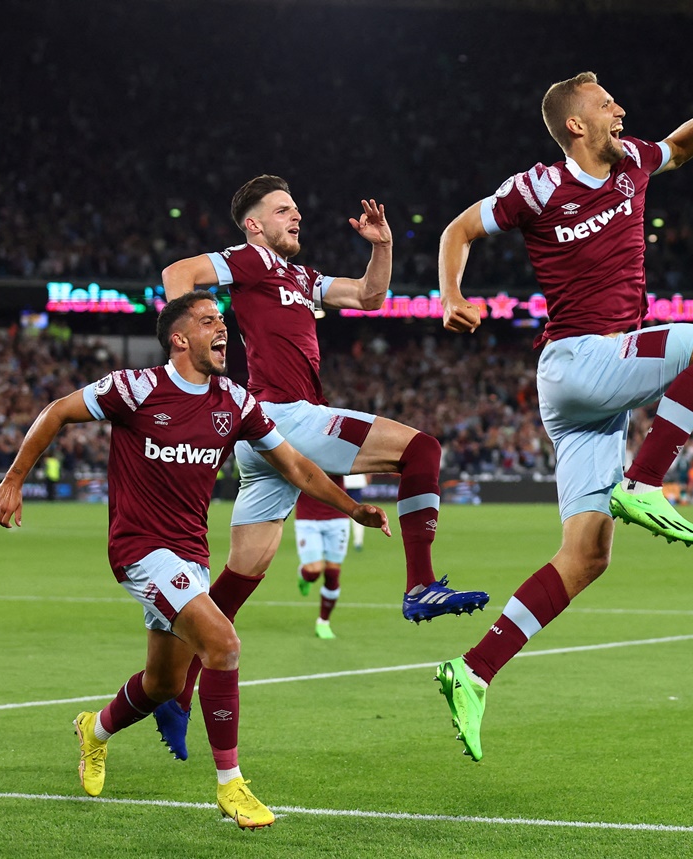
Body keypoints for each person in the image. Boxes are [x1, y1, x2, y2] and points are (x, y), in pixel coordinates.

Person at [0, 291, 391, 828]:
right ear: (179, 339)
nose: (222, 329)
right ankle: (231, 785)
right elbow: (58, 411)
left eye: (222, 320)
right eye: (207, 322)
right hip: (139, 548)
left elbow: (296, 466)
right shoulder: (135, 389)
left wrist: (352, 506)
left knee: (163, 686)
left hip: (189, 555)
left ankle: (94, 731)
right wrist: (14, 480)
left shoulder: (236, 402)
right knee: (223, 644)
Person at [434, 72, 693, 760]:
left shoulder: (634, 160)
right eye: (608, 105)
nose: (622, 110)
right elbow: (459, 229)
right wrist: (449, 293)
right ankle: (643, 481)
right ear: (576, 125)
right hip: (580, 359)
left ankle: (473, 669)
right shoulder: (536, 188)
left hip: (585, 394)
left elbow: (679, 148)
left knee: (587, 554)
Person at [155, 176, 489, 759]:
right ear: (255, 223)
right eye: (284, 210)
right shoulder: (247, 259)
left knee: (239, 578)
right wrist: (190, 347)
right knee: (421, 450)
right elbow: (177, 276)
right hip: (288, 417)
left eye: (297, 209)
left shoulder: (300, 277)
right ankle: (419, 585)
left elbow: (368, 296)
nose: (296, 217)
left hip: (262, 436)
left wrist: (380, 246)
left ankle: (177, 693)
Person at [293, 473, 354, 639]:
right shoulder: (300, 447)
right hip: (308, 519)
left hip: (338, 516)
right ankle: (304, 574)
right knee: (313, 571)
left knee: (332, 573)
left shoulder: (339, 448)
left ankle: (323, 622)